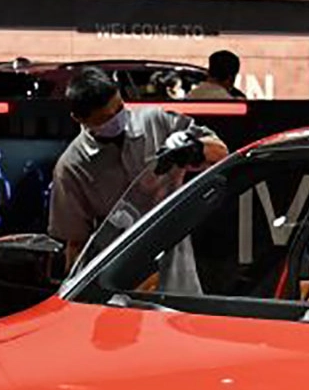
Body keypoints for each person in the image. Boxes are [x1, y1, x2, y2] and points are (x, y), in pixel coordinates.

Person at [49, 66, 227, 270]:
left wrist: (196, 148)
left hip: (176, 261)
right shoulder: (72, 167)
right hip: (119, 272)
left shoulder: (156, 121)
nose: (117, 119)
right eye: (106, 118)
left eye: (120, 108)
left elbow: (221, 152)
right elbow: (75, 244)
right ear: (79, 119)